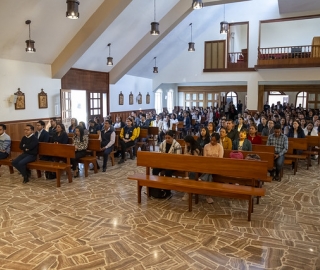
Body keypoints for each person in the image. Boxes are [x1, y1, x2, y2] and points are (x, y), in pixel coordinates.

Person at [201, 133, 224, 204]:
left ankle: (202, 178)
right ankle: (208, 195)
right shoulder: (206, 146)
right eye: (211, 140)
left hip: (216, 165)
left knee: (209, 171)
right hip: (207, 165)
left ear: (217, 141)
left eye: (214, 141)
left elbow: (220, 159)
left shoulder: (220, 147)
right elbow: (204, 158)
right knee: (209, 174)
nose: (212, 142)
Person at [182, 135, 201, 201]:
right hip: (188, 163)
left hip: (196, 165)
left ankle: (188, 192)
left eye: (187, 143)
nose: (186, 144)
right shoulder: (187, 145)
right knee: (185, 167)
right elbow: (185, 154)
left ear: (190, 142)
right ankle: (187, 190)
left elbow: (196, 159)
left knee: (192, 172)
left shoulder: (196, 147)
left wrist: (188, 155)